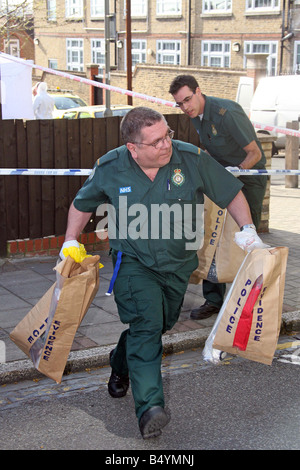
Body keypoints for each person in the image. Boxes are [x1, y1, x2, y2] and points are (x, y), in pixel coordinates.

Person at [59, 106, 265, 439]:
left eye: (167, 134)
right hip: (134, 264)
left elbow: (231, 192)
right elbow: (82, 204)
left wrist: (248, 228)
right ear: (133, 148)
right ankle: (149, 408)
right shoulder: (111, 167)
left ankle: (120, 361)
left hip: (178, 265)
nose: (166, 144)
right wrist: (70, 240)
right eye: (155, 141)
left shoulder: (191, 159)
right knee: (147, 325)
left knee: (160, 324)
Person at [169, 74, 267, 321]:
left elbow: (254, 154)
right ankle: (214, 300)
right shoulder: (197, 116)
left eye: (188, 100)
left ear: (199, 91)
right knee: (212, 237)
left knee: (246, 239)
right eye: (180, 104)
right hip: (223, 178)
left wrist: (230, 181)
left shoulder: (227, 113)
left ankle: (248, 298)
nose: (185, 107)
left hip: (247, 179)